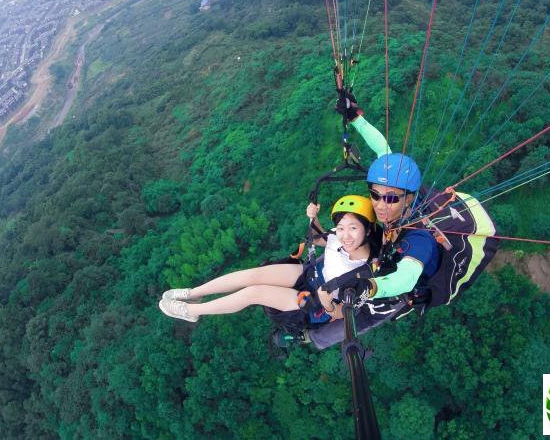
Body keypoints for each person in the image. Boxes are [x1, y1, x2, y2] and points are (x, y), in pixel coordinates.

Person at [304, 88, 497, 350]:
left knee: (367, 315)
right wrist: (355, 117)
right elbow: (383, 149)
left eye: (391, 199)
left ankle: (311, 338)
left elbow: (405, 279)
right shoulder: (397, 186)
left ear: (408, 198)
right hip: (388, 251)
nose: (381, 205)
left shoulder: (419, 239)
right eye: (375, 194)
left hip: (405, 283)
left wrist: (369, 288)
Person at [158, 195, 381, 325]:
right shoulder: (338, 237)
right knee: (252, 275)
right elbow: (318, 238)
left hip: (314, 302)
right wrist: (312, 218)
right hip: (311, 273)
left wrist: (324, 301)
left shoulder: (365, 271)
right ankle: (194, 293)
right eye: (341, 227)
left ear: (368, 230)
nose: (345, 235)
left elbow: (342, 314)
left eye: (353, 228)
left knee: (254, 292)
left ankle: (193, 312)